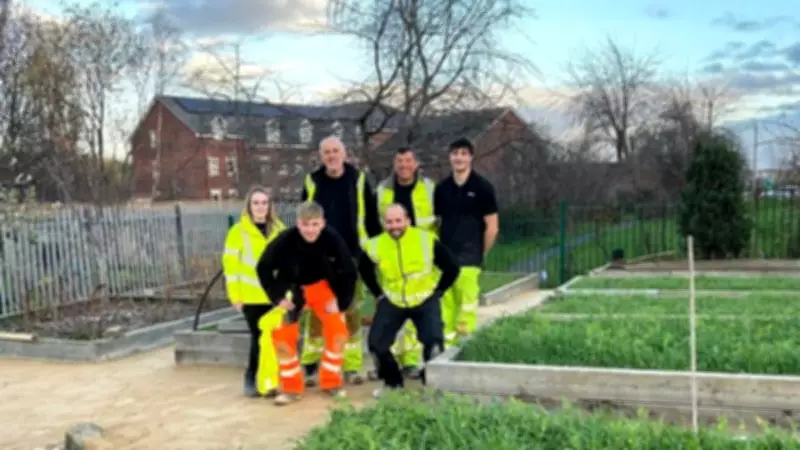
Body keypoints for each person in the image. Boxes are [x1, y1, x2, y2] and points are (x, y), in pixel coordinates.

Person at [256, 202, 357, 406]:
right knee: (283, 337)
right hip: (293, 289)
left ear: (322, 223)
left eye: (314, 224)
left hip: (322, 288)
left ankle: (331, 382)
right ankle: (292, 388)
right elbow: (263, 267)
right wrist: (277, 297)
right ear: (298, 224)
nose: (310, 229)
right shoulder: (285, 240)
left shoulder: (332, 239)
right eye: (305, 224)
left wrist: (341, 302)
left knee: (338, 332)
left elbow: (348, 271)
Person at [299, 135, 381, 386]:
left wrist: (373, 252)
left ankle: (351, 366)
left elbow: (371, 219)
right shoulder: (312, 181)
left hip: (351, 257)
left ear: (344, 154)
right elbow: (304, 218)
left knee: (351, 311)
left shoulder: (359, 180)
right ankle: (311, 364)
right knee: (316, 313)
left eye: (336, 151)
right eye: (327, 152)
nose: (332, 156)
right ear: (321, 156)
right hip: (318, 258)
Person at [359, 204, 460, 397]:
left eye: (398, 220)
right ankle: (392, 383)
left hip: (424, 299)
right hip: (393, 300)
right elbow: (364, 269)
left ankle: (430, 385)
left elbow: (452, 267)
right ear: (383, 223)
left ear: (408, 220)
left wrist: (438, 291)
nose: (394, 225)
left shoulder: (425, 240)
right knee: (376, 344)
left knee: (434, 343)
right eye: (389, 221)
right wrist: (378, 293)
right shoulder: (375, 245)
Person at [374, 147, 436, 379]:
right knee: (392, 310)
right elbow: (375, 224)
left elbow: (437, 221)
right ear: (394, 163)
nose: (404, 165)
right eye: (399, 161)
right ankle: (390, 361)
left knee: (415, 311)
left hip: (419, 259)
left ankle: (410, 361)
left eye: (408, 160)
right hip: (391, 257)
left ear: (416, 163)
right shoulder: (382, 190)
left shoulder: (429, 188)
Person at [221, 186, 290, 397]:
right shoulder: (238, 232)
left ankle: (269, 381)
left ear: (269, 206)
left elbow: (288, 265)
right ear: (249, 206)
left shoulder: (279, 229)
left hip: (275, 296)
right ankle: (251, 377)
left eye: (264, 203)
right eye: (256, 203)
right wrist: (235, 296)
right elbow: (230, 267)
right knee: (259, 339)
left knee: (276, 339)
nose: (260, 207)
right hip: (251, 297)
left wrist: (287, 294)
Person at [434, 137, 499, 347]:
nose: (458, 158)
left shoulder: (483, 187)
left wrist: (482, 253)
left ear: (471, 157)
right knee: (446, 313)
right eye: (455, 153)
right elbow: (436, 223)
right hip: (445, 262)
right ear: (449, 157)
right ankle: (446, 354)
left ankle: (464, 351)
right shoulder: (442, 188)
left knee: (466, 313)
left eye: (463, 153)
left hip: (470, 261)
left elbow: (492, 226)